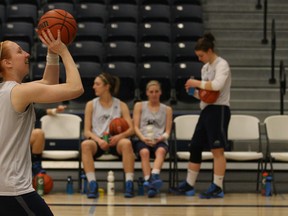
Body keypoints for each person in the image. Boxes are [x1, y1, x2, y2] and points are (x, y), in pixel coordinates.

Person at [0, 29, 83, 215]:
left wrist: (51, 53)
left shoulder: (10, 90)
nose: (27, 54)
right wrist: (63, 51)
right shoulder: (19, 92)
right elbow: (76, 88)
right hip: (11, 188)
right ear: (7, 63)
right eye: (20, 51)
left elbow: (49, 82)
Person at [172, 32, 231, 199]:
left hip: (219, 110)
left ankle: (217, 187)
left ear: (210, 50)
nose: (199, 59)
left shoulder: (222, 65)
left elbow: (217, 85)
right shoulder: (205, 68)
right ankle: (189, 185)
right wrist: (194, 92)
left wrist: (196, 83)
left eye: (201, 55)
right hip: (206, 110)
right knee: (195, 146)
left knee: (217, 149)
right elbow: (207, 94)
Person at [81, 72, 135, 199]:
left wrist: (119, 137)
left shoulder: (121, 105)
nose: (94, 86)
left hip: (115, 142)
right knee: (85, 145)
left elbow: (132, 129)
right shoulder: (91, 104)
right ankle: (92, 184)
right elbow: (87, 131)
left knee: (127, 143)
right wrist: (99, 141)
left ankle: (129, 183)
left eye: (97, 84)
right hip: (98, 142)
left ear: (107, 86)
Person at [133, 80, 173, 198]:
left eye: (156, 91)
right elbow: (135, 127)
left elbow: (168, 131)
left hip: (159, 140)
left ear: (160, 93)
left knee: (160, 151)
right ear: (147, 93)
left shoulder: (167, 109)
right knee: (144, 152)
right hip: (143, 139)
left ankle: (154, 177)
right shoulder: (139, 106)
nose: (154, 94)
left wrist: (161, 138)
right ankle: (148, 180)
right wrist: (143, 138)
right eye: (151, 92)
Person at [31, 105, 67, 176]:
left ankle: (36, 165)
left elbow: (44, 112)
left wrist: (56, 110)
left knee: (38, 133)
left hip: (24, 139)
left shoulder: (28, 108)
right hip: (8, 139)